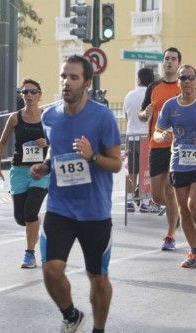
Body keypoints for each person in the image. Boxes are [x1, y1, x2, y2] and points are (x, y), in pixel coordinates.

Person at [30, 55, 121, 333]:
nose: (66, 82)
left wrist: (92, 156)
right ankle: (71, 315)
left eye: (73, 77)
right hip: (60, 206)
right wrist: (45, 166)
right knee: (50, 270)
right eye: (63, 76)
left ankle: (99, 329)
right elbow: (55, 150)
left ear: (87, 83)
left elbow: (116, 163)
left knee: (98, 278)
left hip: (94, 210)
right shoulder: (49, 116)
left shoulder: (103, 117)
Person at [154, 64, 196, 268]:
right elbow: (157, 133)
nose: (187, 82)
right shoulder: (170, 106)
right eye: (183, 78)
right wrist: (162, 135)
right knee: (183, 211)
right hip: (178, 163)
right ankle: (193, 252)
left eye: (190, 78)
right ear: (178, 82)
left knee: (194, 204)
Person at [0, 78, 49, 269]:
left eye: (33, 92)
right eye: (25, 92)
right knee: (21, 217)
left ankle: (30, 254)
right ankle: (34, 225)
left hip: (41, 171)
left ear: (40, 95)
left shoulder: (47, 117)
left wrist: (47, 143)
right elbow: (1, 143)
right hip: (19, 170)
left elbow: (58, 141)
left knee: (30, 211)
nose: (29, 96)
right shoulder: (15, 117)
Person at [138, 47, 181, 251]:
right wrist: (144, 114)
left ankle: (170, 235)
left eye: (173, 59)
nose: (169, 62)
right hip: (157, 144)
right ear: (163, 63)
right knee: (157, 196)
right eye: (166, 59)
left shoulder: (185, 86)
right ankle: (176, 212)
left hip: (178, 147)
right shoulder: (154, 86)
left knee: (171, 191)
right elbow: (142, 114)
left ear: (178, 64)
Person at [123, 67, 159, 213]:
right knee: (146, 171)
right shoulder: (152, 94)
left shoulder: (129, 95)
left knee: (131, 170)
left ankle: (129, 201)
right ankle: (145, 202)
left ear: (138, 78)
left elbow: (126, 116)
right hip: (146, 136)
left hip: (130, 135)